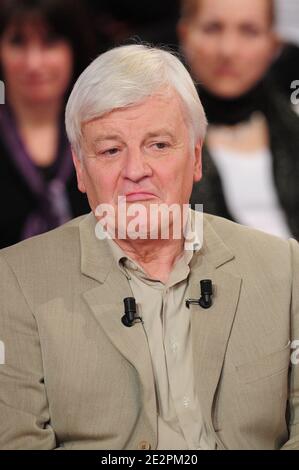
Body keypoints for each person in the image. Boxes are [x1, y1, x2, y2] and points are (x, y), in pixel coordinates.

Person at [0, 44, 298, 450]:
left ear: (195, 157)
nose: (135, 171)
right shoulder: (14, 281)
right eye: (110, 150)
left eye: (158, 145)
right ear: (80, 169)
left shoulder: (285, 267)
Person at [178, 0, 299, 240]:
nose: (228, 50)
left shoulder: (293, 126)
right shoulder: (153, 135)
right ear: (185, 34)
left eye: (249, 31)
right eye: (213, 28)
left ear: (274, 44)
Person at [0, 0, 95, 249]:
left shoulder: (104, 128)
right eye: (18, 42)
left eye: (50, 42)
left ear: (74, 47)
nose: (33, 63)